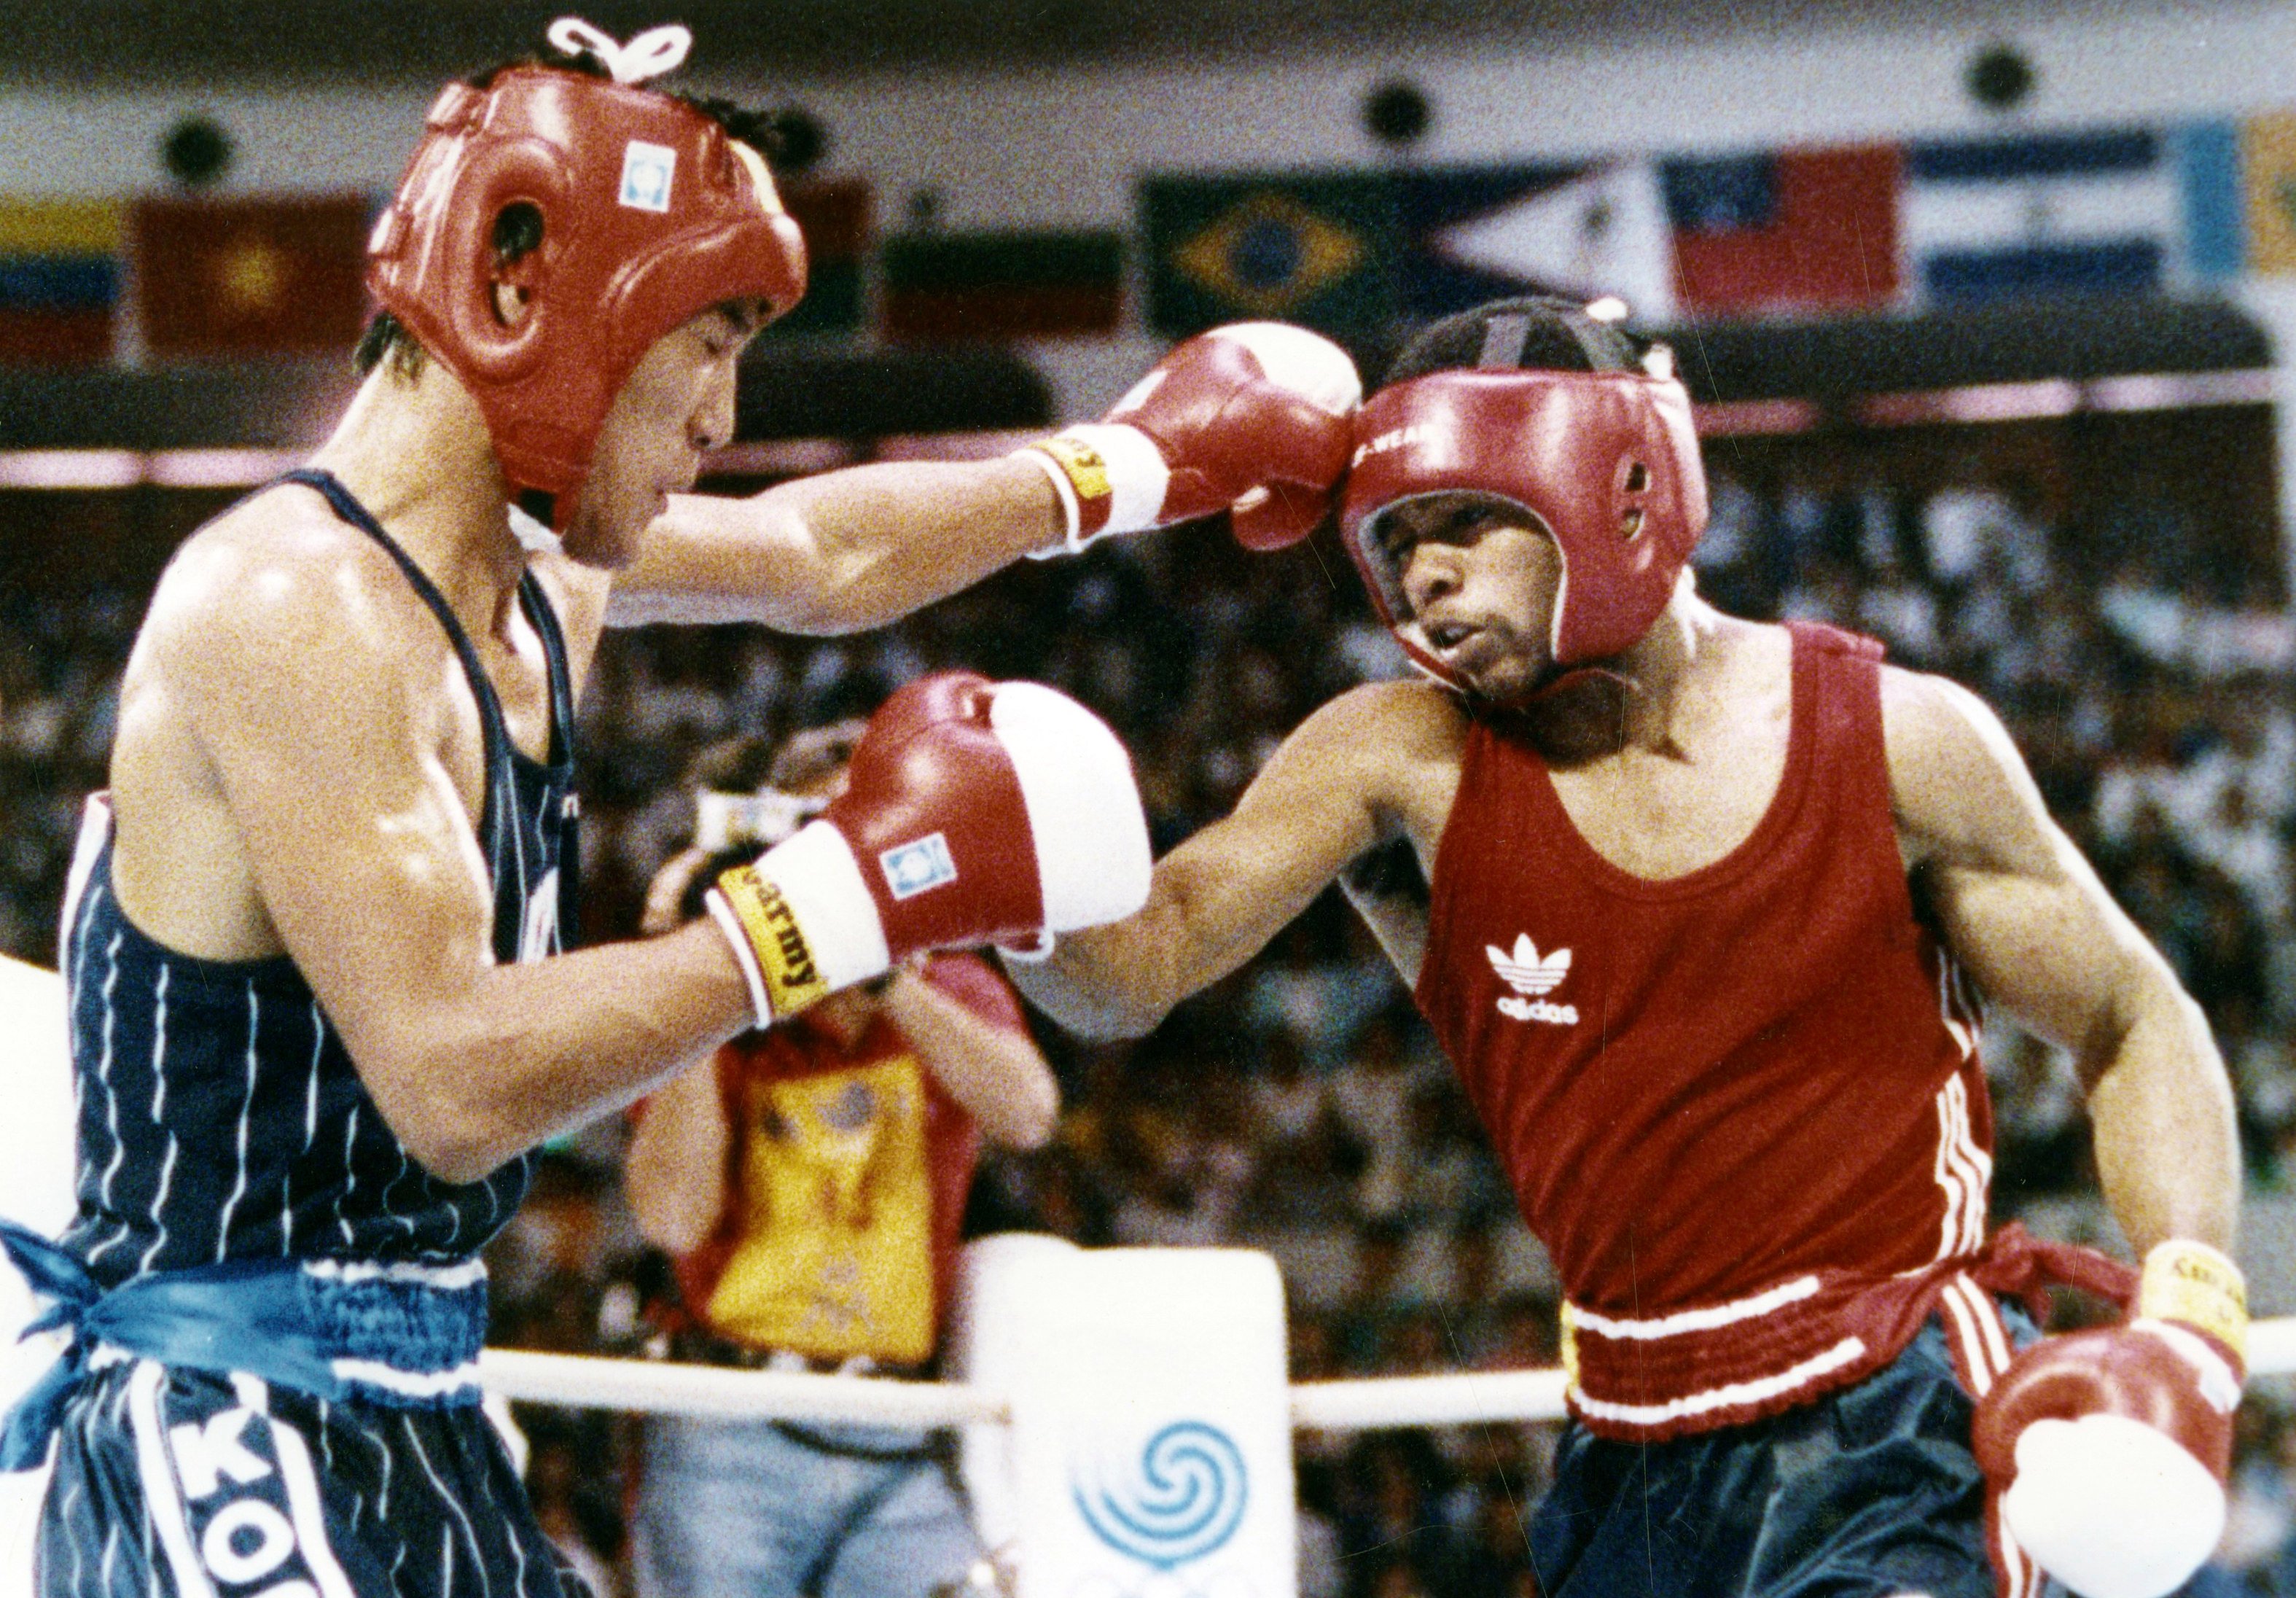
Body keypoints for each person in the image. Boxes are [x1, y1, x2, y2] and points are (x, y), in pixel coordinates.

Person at [0, 17, 1362, 1598]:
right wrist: (837, 902)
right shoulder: (295, 604)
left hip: (422, 1392)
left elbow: (816, 553)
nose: (723, 414)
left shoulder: (533, 579)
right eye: (707, 343)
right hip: (225, 1416)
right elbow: (447, 1078)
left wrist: (1125, 467)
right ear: (526, 289)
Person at [1008, 296, 2246, 1598]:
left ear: (1618, 490)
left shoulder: (1891, 737)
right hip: (1628, 1437)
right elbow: (1133, 969)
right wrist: (976, 882)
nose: (1422, 577)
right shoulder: (1398, 757)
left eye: (1463, 521)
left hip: (1888, 1414)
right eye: (1398, 541)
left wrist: (2191, 1322)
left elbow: (2131, 1020)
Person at [622, 722, 1055, 1598]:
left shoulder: (951, 987)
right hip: (731, 1433)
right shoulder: (719, 1010)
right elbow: (670, 1216)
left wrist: (886, 971)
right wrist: (697, 969)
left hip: (900, 1429)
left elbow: (1029, 1112)